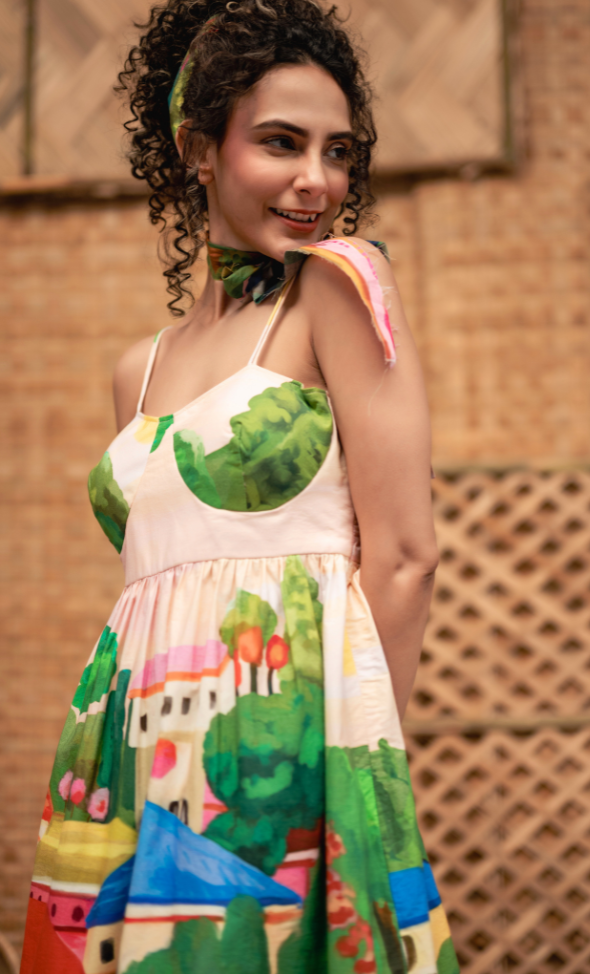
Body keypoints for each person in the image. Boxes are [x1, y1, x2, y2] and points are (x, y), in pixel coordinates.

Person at [20, 1, 458, 971]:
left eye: (338, 152)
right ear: (198, 150)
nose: (317, 180)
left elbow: (404, 555)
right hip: (128, 742)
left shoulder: (337, 287)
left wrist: (357, 768)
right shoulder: (136, 369)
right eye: (280, 142)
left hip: (278, 750)